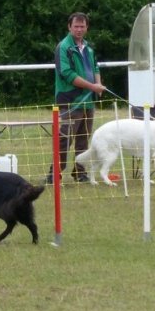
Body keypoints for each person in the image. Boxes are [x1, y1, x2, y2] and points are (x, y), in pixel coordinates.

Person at [46, 12, 106, 184]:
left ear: (87, 27)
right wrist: (92, 86)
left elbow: (95, 67)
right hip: (70, 101)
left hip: (88, 101)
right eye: (76, 26)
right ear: (69, 27)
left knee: (83, 139)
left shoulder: (88, 47)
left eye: (82, 26)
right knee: (64, 138)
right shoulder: (63, 47)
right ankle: (54, 174)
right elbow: (67, 74)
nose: (79, 29)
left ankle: (80, 172)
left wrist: (98, 85)